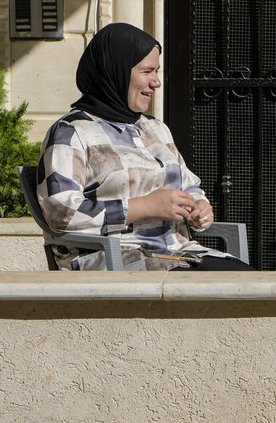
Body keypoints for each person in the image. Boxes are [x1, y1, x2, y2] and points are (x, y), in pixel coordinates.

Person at [37, 22, 248, 271]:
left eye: (156, 71)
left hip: (178, 252)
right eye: (147, 71)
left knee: (249, 284)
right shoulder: (71, 132)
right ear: (115, 71)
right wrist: (145, 206)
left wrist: (199, 207)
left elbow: (190, 185)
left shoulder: (155, 128)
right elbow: (62, 212)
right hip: (116, 258)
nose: (156, 82)